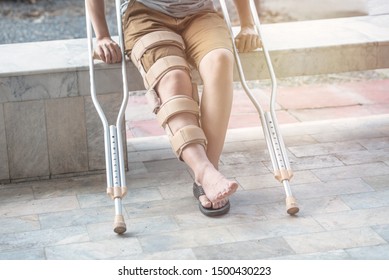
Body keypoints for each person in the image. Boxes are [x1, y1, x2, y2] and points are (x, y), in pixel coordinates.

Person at [86, 0, 261, 216]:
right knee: (172, 77)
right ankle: (205, 171)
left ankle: (207, 173)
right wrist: (102, 35)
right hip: (146, 16)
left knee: (220, 60)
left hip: (201, 13)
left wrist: (247, 24)